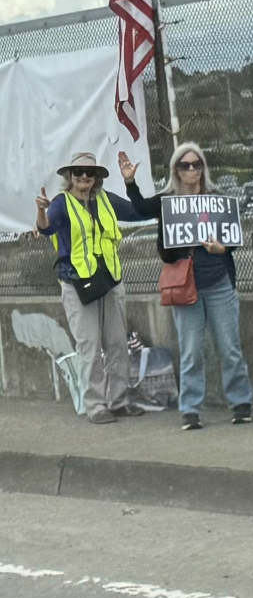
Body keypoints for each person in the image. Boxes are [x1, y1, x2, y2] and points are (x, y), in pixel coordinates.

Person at [118, 143, 253, 431]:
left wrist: (222, 248)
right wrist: (130, 182)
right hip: (185, 286)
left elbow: (232, 237)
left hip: (219, 283)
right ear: (176, 171)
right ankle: (190, 409)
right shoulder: (168, 201)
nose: (191, 169)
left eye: (196, 164)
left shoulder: (217, 200)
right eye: (185, 165)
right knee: (191, 351)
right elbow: (140, 208)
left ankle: (241, 402)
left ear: (203, 168)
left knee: (229, 348)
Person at [34, 152, 150, 424]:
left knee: (117, 343)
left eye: (90, 171)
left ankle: (119, 401)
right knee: (90, 346)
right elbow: (46, 228)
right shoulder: (61, 203)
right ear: (70, 176)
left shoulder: (106, 200)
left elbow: (138, 211)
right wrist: (41, 211)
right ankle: (96, 405)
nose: (84, 176)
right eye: (78, 171)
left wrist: (130, 183)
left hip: (110, 280)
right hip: (77, 283)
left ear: (97, 177)